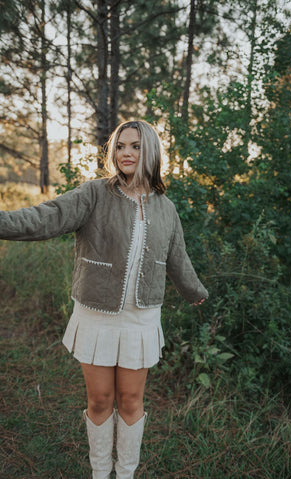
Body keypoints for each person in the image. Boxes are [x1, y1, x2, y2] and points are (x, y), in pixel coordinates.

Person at [0, 120, 208, 479]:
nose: (126, 153)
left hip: (141, 319)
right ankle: (100, 473)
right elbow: (48, 216)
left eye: (136, 146)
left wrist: (196, 292)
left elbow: (177, 258)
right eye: (121, 146)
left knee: (130, 401)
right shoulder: (95, 194)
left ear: (152, 152)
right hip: (96, 314)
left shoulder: (166, 208)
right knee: (98, 400)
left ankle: (124, 474)